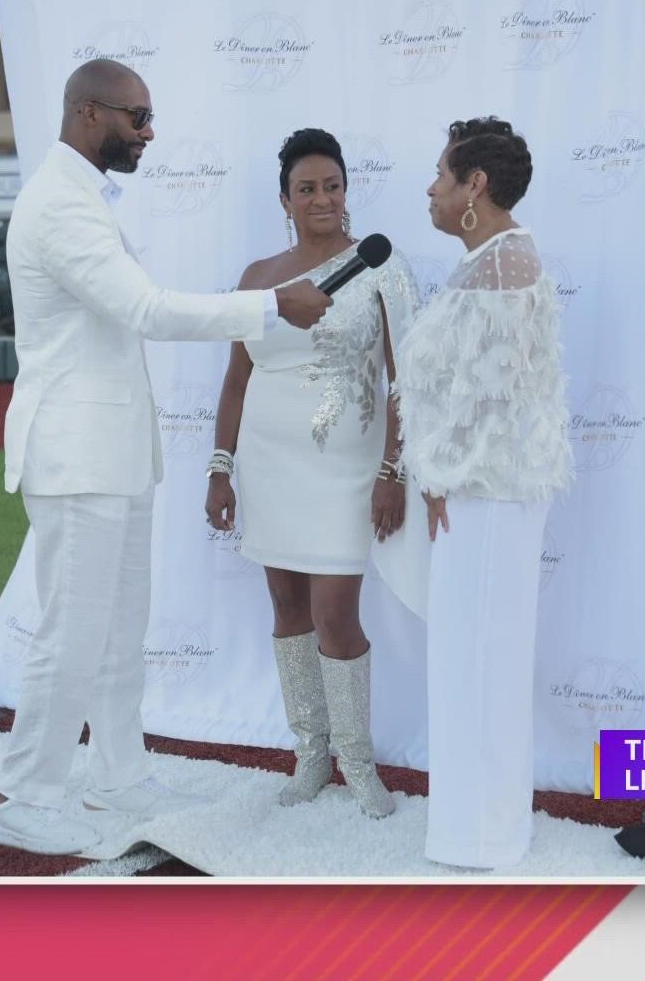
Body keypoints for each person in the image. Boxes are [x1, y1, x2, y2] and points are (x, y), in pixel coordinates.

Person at [0, 59, 333, 857]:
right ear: (87, 113)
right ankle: (22, 793)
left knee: (117, 628)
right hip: (75, 455)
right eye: (137, 118)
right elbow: (145, 310)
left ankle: (117, 772)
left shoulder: (82, 199)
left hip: (112, 450)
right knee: (72, 630)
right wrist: (272, 304)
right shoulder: (58, 205)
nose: (149, 132)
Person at [204, 128, 419, 819]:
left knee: (335, 613)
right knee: (288, 609)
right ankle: (311, 753)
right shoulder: (257, 276)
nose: (322, 197)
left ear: (347, 191)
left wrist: (393, 470)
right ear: (285, 200)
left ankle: (358, 761)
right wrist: (220, 469)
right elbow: (236, 381)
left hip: (348, 471)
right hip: (268, 468)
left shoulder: (382, 266)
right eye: (307, 189)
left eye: (332, 185)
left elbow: (404, 378)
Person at [390, 117, 574, 868]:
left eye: (441, 173)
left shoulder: (504, 266)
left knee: (479, 664)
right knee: (471, 663)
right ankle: (478, 826)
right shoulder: (491, 260)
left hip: (484, 497)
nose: (430, 187)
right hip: (473, 493)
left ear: (477, 186)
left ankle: (482, 836)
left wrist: (439, 474)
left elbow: (493, 400)